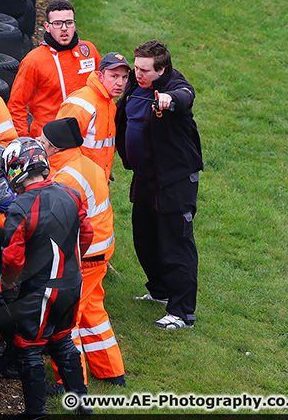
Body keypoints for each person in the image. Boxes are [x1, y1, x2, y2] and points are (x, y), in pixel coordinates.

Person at [0, 137, 94, 417]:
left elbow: (12, 258)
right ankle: (82, 405)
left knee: (28, 348)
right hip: (72, 283)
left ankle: (36, 413)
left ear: (16, 170)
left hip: (41, 288)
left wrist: (7, 282)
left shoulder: (20, 207)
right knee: (62, 339)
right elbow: (87, 233)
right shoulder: (71, 193)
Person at [114, 40, 203, 329]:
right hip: (144, 178)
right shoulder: (134, 86)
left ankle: (182, 313)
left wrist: (169, 100)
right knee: (145, 238)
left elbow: (185, 96)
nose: (136, 75)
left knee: (176, 244)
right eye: (135, 68)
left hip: (174, 181)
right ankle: (160, 292)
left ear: (161, 69)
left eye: (144, 70)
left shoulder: (174, 86)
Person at [39, 118, 126, 391]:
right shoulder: (86, 164)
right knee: (93, 313)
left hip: (85, 255)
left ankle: (71, 382)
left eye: (43, 143)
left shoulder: (65, 177)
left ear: (54, 148)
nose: (40, 147)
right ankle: (111, 372)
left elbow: (54, 220)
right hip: (100, 251)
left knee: (67, 321)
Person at [7, 0, 101, 139]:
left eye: (69, 23)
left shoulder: (89, 51)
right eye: (57, 23)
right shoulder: (34, 60)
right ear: (47, 26)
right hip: (50, 140)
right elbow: (16, 104)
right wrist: (24, 140)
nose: (64, 28)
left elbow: (104, 90)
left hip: (88, 137)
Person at [56, 52, 131, 181]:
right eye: (114, 76)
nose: (120, 83)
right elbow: (59, 148)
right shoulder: (80, 104)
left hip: (96, 180)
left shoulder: (109, 102)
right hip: (77, 182)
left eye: (124, 77)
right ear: (100, 76)